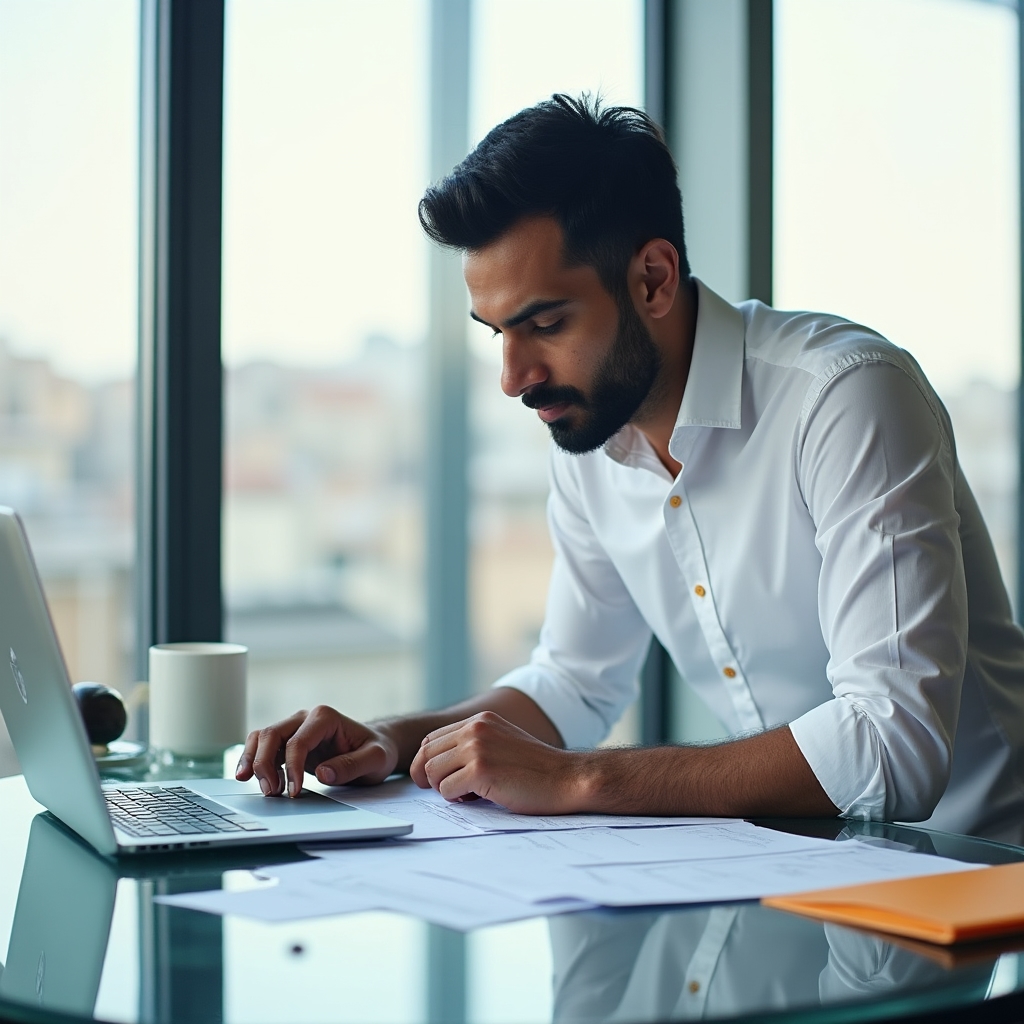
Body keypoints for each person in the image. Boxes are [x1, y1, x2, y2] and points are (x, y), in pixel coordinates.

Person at [236, 94, 1024, 843]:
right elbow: (575, 684)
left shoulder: (844, 398)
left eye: (544, 323)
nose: (514, 376)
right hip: (811, 877)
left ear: (653, 277)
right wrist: (393, 738)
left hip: (982, 877)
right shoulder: (591, 436)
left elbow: (896, 744)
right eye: (496, 332)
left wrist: (578, 780)